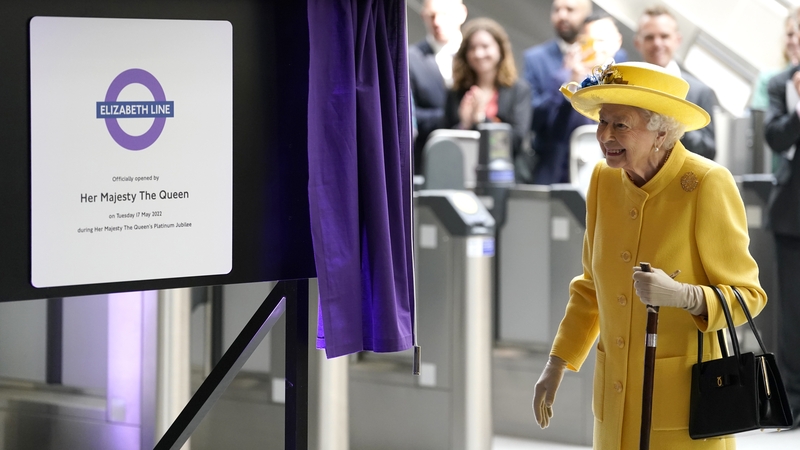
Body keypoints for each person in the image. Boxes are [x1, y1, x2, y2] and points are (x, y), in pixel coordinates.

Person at [532, 61, 767, 449]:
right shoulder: (602, 180)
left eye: (620, 124)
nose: (604, 135)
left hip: (684, 410)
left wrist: (685, 296)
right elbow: (591, 288)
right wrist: (557, 363)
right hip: (614, 406)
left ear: (662, 130)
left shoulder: (706, 184)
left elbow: (750, 296)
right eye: (602, 121)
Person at [523, 1, 627, 184]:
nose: (596, 48)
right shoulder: (564, 75)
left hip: (611, 171)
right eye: (589, 42)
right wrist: (569, 80)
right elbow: (544, 124)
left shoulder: (627, 73)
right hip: (559, 171)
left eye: (602, 41)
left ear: (617, 42)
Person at [442, 17, 531, 169]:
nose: (478, 53)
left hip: (506, 174)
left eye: (485, 46)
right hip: (461, 170)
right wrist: (464, 124)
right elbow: (445, 141)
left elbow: (516, 141)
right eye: (472, 48)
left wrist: (482, 119)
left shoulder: (518, 91)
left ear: (500, 49)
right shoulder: (456, 91)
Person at [764, 48, 800, 428]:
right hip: (793, 216)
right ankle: (791, 402)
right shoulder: (781, 84)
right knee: (792, 317)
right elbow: (775, 137)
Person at [635, 6, 719, 161]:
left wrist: (673, 119)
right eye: (649, 37)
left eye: (664, 36)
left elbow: (708, 151)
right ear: (637, 43)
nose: (657, 43)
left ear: (677, 40)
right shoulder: (627, 89)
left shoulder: (700, 92)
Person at [408, 0, 468, 175]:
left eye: (444, 14)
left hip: (472, 160)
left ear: (462, 13)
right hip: (427, 161)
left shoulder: (478, 53)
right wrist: (454, 117)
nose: (437, 22)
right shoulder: (410, 58)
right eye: (431, 15)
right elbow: (409, 114)